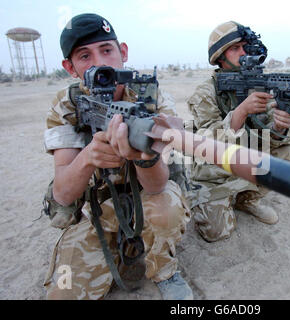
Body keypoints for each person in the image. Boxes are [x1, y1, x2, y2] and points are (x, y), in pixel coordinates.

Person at [42, 13, 193, 300]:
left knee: (166, 208)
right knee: (61, 295)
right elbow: (62, 194)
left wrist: (143, 157)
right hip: (97, 208)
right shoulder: (67, 103)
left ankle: (163, 268)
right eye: (84, 56)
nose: (100, 62)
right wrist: (88, 157)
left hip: (149, 198)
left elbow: (157, 185)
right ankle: (123, 248)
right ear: (69, 67)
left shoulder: (150, 95)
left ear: (123, 52)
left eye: (107, 50)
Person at [186, 21, 290, 242]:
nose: (244, 52)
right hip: (216, 171)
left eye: (246, 46)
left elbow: (270, 139)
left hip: (247, 157)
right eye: (235, 48)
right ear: (220, 57)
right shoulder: (206, 91)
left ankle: (246, 199)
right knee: (216, 233)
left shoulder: (258, 83)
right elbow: (203, 143)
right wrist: (240, 112)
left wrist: (280, 125)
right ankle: (221, 197)